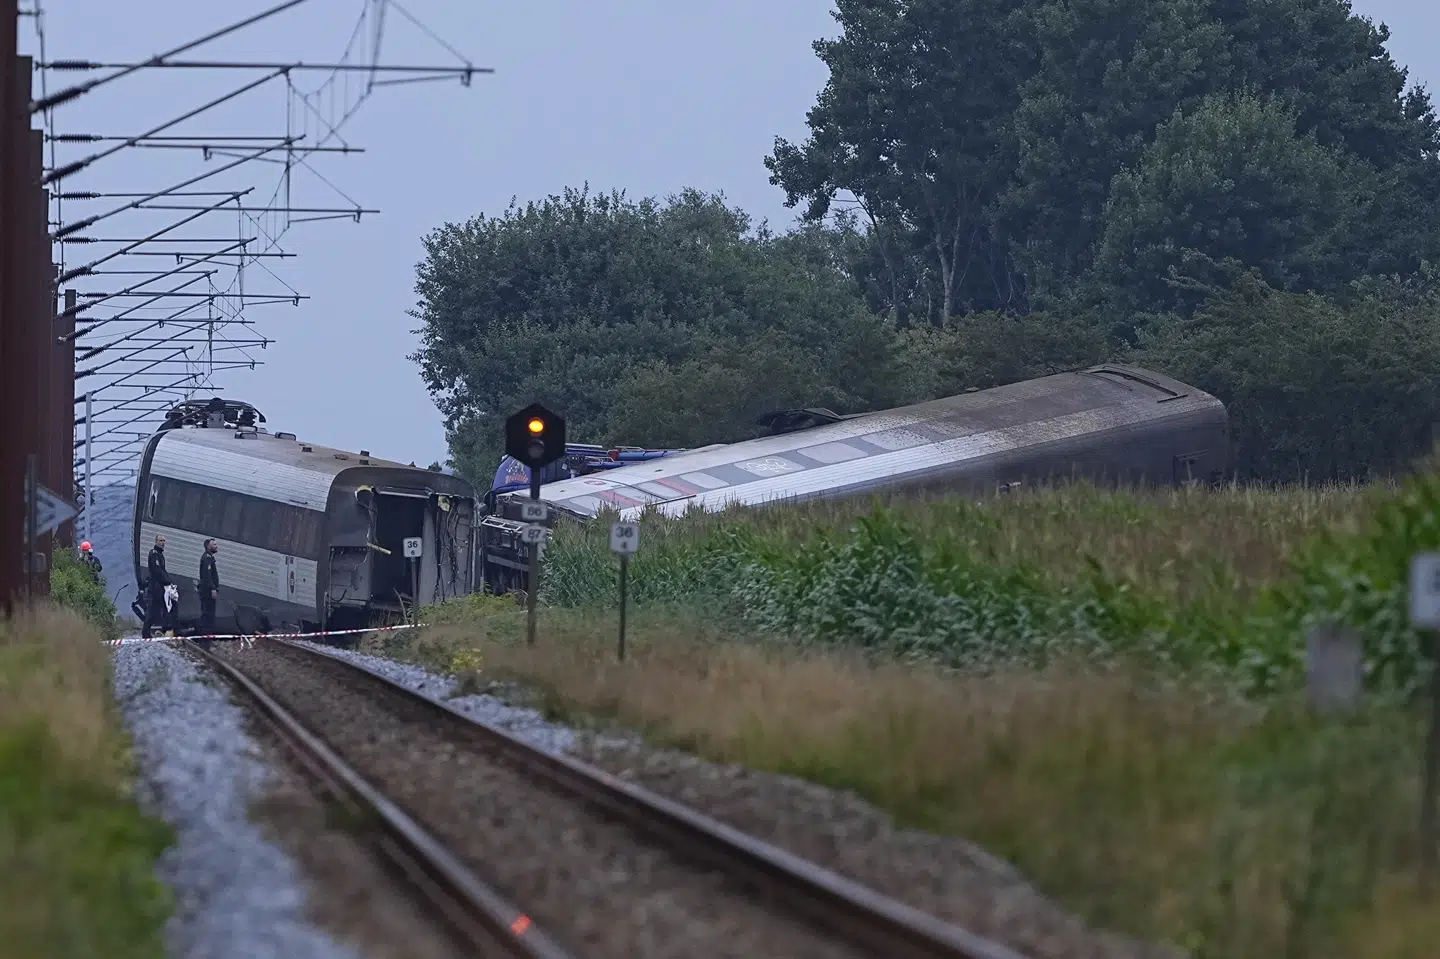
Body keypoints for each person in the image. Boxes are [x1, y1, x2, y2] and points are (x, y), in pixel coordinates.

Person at [141, 534, 172, 639]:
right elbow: (157, 571)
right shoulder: (154, 554)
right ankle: (145, 633)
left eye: (164, 540)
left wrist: (169, 581)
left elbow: (163, 571)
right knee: (152, 611)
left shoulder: (160, 555)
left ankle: (165, 629)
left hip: (160, 587)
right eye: (160, 540)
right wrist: (166, 582)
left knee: (164, 608)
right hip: (155, 588)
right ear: (156, 542)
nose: (163, 542)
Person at [198, 539, 220, 639]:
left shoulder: (209, 558)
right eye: (214, 544)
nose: (216, 546)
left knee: (209, 614)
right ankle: (205, 638)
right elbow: (207, 576)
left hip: (207, 591)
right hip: (207, 592)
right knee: (208, 615)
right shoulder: (207, 558)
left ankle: (206, 637)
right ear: (208, 547)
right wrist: (213, 588)